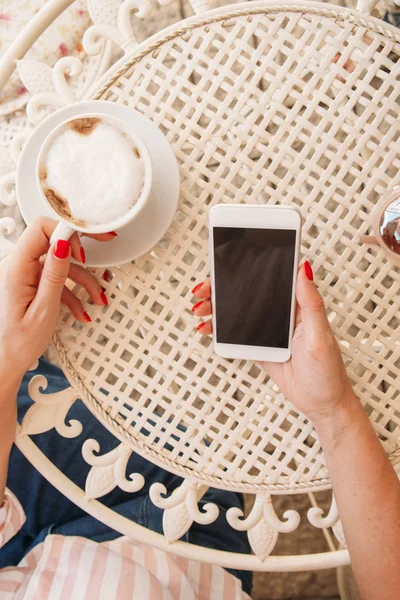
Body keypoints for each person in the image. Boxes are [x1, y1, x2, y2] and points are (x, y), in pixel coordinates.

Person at [0, 217, 399, 599]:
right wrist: (333, 411)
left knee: (38, 392)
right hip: (172, 550)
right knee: (182, 456)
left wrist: (8, 360)